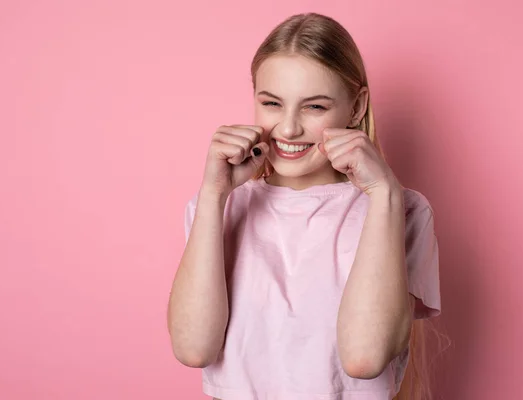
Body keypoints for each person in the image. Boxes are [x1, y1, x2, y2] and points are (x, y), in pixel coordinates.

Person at [168, 12, 442, 400]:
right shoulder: (215, 208)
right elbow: (193, 349)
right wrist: (214, 196)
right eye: (272, 103)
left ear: (357, 106)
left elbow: (365, 358)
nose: (289, 128)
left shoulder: (403, 210)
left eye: (314, 107)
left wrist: (384, 195)